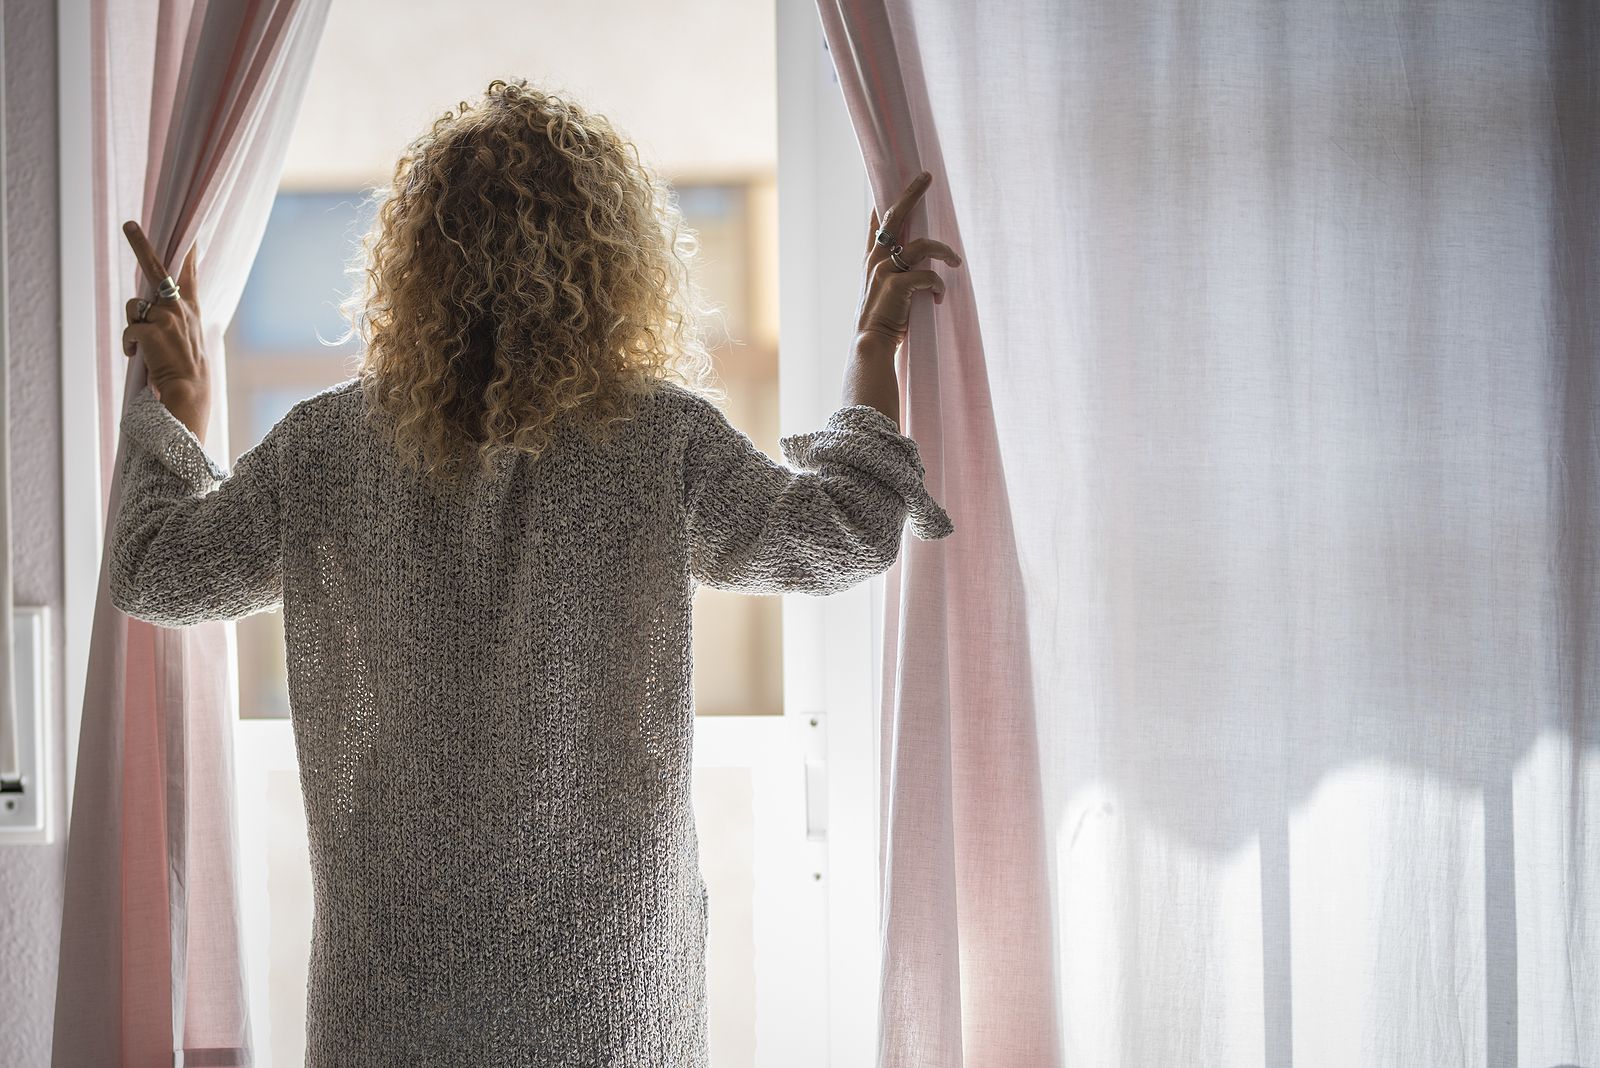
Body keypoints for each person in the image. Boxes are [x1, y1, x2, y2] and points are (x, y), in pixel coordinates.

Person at [112, 77, 959, 1067]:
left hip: (394, 971)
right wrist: (876, 348)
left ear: (415, 264)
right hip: (599, 975)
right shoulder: (657, 440)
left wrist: (176, 400)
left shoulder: (326, 449)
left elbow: (157, 572)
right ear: (610, 261)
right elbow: (847, 532)